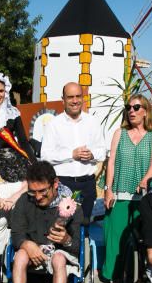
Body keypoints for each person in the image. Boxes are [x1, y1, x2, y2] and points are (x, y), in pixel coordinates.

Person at [3, 161, 83, 283]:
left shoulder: (71, 205)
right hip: (34, 253)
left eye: (42, 191)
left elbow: (77, 246)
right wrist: (26, 243)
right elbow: (16, 232)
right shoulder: (25, 200)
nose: (37, 197)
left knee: (58, 257)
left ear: (55, 184)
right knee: (21, 254)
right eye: (33, 191)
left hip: (60, 255)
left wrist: (66, 240)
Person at [101, 93, 152, 283]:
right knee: (115, 236)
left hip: (144, 196)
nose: (131, 111)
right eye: (128, 108)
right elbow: (111, 163)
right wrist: (108, 188)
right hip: (120, 192)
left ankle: (140, 275)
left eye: (136, 107)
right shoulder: (120, 133)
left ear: (146, 111)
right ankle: (112, 275)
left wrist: (146, 178)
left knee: (142, 238)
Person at [40, 82, 107, 221]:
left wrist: (92, 154)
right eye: (70, 97)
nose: (75, 101)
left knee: (86, 223)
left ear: (83, 98)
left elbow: (102, 151)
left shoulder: (92, 121)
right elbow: (45, 156)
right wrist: (71, 155)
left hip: (87, 184)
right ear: (63, 100)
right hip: (63, 184)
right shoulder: (54, 124)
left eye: (78, 96)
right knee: (62, 225)